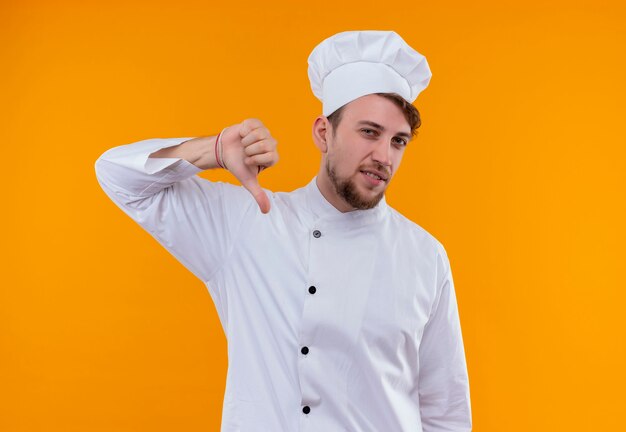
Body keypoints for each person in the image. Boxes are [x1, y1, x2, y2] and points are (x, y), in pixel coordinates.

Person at [95, 30, 472, 432]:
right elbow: (117, 175)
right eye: (369, 132)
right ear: (323, 133)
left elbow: (445, 411)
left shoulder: (425, 256)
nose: (384, 156)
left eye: (398, 141)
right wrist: (215, 150)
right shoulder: (247, 222)